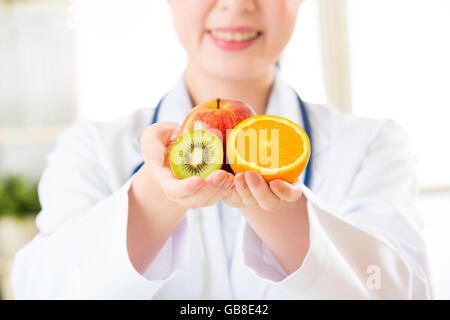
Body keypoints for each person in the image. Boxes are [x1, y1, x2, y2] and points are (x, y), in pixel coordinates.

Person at [12, 0, 430, 299]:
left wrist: (284, 216)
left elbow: (404, 293)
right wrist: (155, 197)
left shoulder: (373, 145)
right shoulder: (91, 149)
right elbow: (42, 289)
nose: (236, 4)